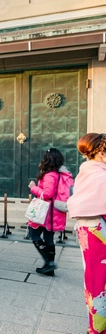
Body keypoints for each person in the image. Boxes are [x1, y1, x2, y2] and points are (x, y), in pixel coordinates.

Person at [67, 133, 106, 334]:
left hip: (89, 230)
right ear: (100, 152)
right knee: (100, 279)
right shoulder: (101, 175)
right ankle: (99, 328)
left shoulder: (87, 172)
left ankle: (96, 325)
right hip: (100, 231)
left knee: (94, 278)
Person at [27, 148, 72, 277]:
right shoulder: (62, 174)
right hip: (55, 212)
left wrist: (33, 188)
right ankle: (49, 267)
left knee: (34, 234)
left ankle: (49, 262)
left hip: (46, 211)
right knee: (48, 237)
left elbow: (47, 193)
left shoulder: (49, 175)